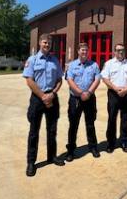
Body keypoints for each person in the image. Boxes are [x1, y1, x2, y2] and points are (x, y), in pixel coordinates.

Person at [22, 34, 65, 177]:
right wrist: (42, 96)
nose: (47, 44)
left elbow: (59, 79)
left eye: (49, 42)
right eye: (45, 42)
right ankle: (31, 162)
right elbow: (29, 80)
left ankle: (51, 156)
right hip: (37, 99)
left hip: (52, 97)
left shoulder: (55, 60)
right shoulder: (32, 60)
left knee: (52, 130)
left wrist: (52, 93)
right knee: (34, 132)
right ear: (40, 43)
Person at [65, 42, 102, 161]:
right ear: (78, 51)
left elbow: (97, 80)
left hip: (90, 98)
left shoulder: (94, 65)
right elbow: (69, 80)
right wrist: (81, 93)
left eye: (86, 50)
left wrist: (89, 93)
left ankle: (93, 147)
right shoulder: (71, 65)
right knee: (73, 125)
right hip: (75, 99)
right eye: (82, 50)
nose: (84, 52)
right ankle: (70, 150)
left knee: (90, 124)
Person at [101, 43, 127, 153]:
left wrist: (126, 89)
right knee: (112, 119)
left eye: (122, 50)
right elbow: (105, 78)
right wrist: (116, 89)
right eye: (118, 50)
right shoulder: (109, 64)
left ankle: (124, 142)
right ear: (114, 52)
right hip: (113, 94)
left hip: (126, 94)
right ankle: (111, 143)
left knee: (125, 119)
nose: (120, 52)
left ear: (125, 51)